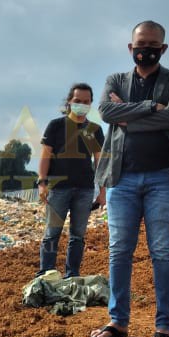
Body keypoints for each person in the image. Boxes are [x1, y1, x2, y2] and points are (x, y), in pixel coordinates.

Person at [90, 20, 169, 337]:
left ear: (163, 48)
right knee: (119, 251)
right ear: (130, 48)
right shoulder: (115, 80)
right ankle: (117, 321)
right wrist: (150, 108)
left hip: (163, 177)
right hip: (122, 178)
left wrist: (128, 117)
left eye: (152, 45)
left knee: (161, 251)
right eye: (139, 44)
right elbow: (105, 110)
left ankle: (164, 326)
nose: (144, 50)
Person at [36, 83, 106, 278]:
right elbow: (45, 157)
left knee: (78, 236)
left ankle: (72, 275)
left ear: (91, 104)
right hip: (57, 189)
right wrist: (42, 183)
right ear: (69, 101)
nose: (81, 105)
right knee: (52, 234)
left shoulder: (94, 130)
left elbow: (100, 162)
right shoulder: (56, 126)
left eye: (86, 102)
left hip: (84, 190)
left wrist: (102, 191)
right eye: (77, 101)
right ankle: (45, 274)